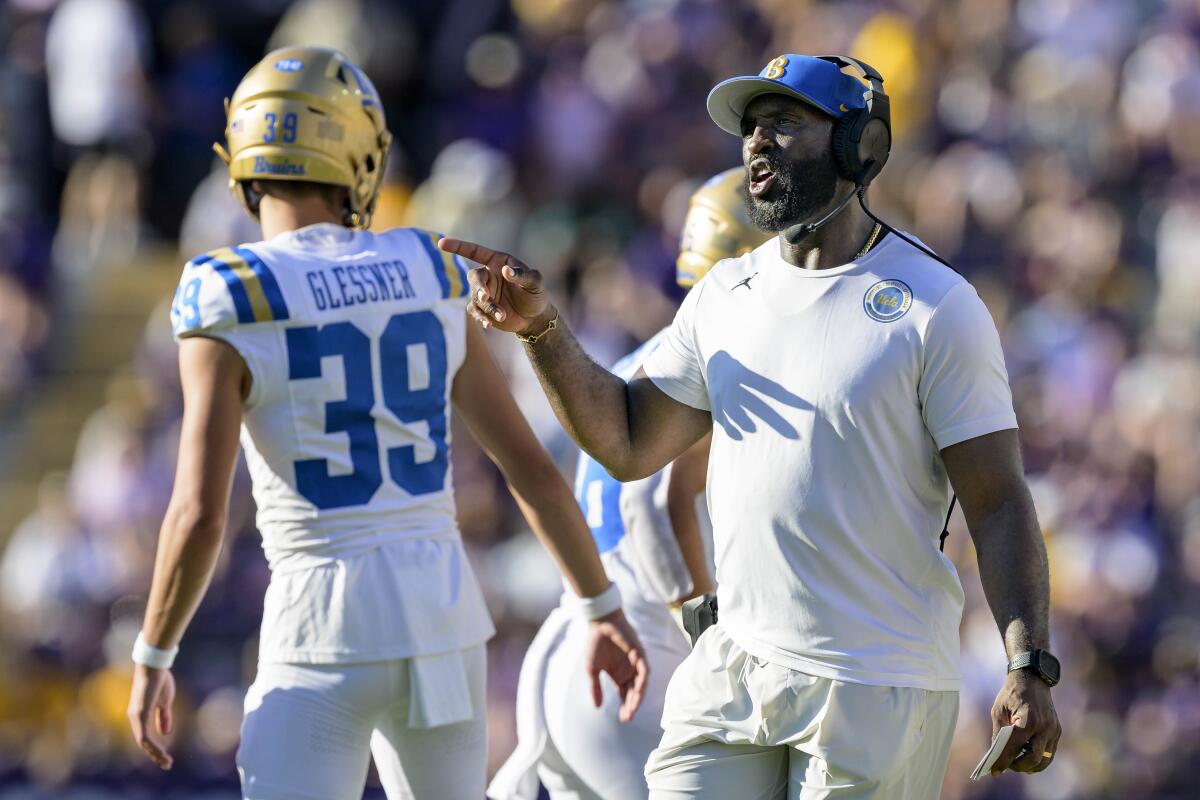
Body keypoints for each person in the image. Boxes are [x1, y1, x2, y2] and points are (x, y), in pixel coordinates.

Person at [442, 53, 1062, 799]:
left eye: (784, 124)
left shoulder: (937, 305)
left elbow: (998, 503)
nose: (756, 145)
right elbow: (629, 442)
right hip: (732, 670)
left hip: (875, 681)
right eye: (752, 128)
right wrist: (540, 329)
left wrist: (1027, 666)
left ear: (858, 145)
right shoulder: (723, 295)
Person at [125, 46, 647, 800]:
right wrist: (599, 606)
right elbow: (529, 467)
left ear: (244, 156)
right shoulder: (426, 265)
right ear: (359, 154)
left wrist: (153, 650)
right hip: (441, 620)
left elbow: (201, 514)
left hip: (319, 629)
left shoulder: (227, 288)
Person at [488, 169, 768, 800]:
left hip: (591, 652)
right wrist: (710, 640)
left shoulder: (652, 355)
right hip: (645, 670)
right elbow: (647, 503)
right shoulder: (717, 363)